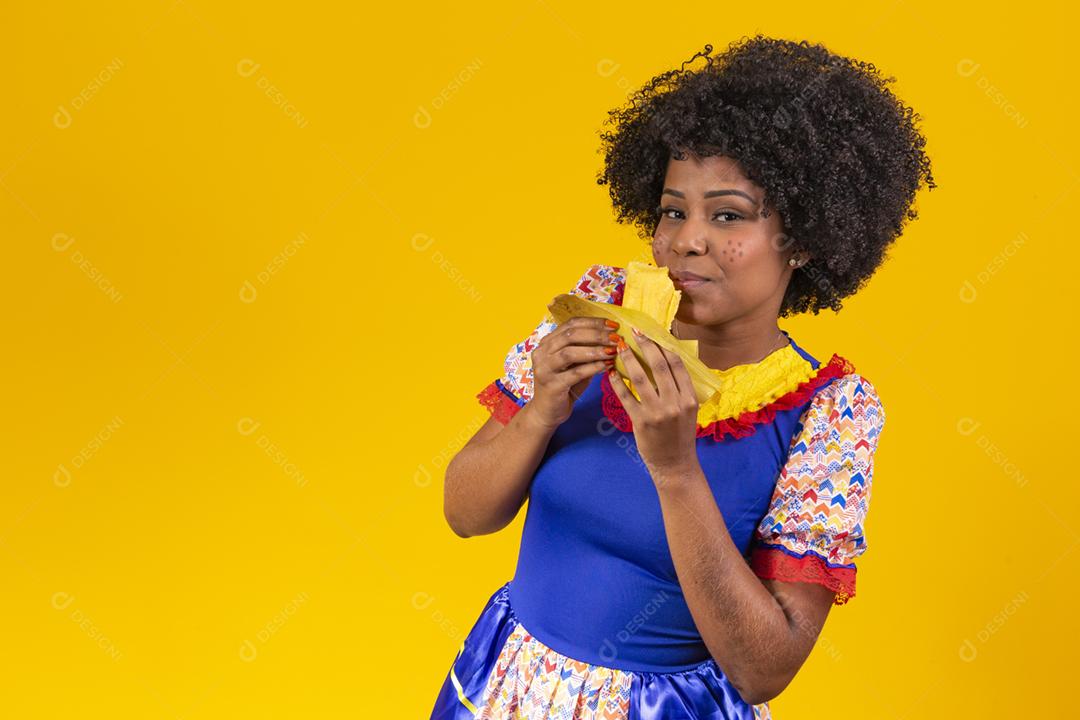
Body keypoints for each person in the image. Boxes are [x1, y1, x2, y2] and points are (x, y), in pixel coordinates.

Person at [432, 34, 935, 720]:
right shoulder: (597, 310)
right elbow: (464, 514)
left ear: (807, 237)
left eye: (727, 215)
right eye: (674, 211)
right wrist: (542, 407)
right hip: (508, 690)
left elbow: (765, 669)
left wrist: (674, 468)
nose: (685, 241)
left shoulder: (829, 411)